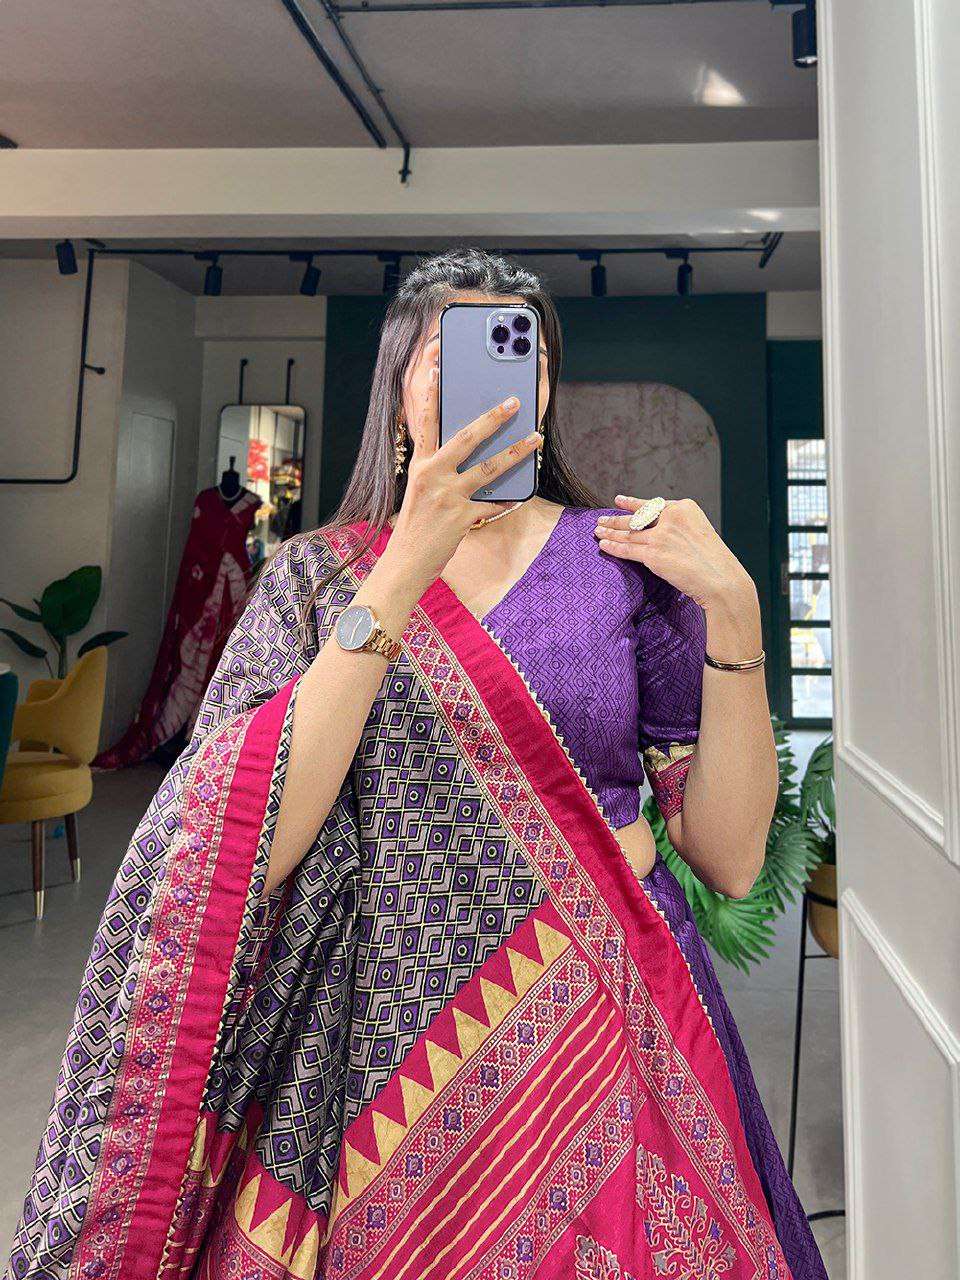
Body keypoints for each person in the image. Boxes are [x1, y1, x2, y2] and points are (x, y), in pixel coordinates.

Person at [6, 248, 827, 1280]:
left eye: (524, 353)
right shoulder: (316, 578)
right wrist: (405, 565)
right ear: (396, 390)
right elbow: (243, 841)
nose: (499, 378)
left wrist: (737, 611)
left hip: (609, 1012)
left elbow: (732, 858)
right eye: (453, 352)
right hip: (382, 1039)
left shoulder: (621, 564)